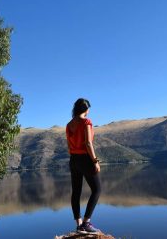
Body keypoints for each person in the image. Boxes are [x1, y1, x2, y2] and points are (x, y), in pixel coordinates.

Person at [66, 98, 101, 234]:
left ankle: (79, 224)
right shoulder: (86, 122)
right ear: (86, 110)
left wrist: (75, 157)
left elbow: (69, 145)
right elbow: (88, 143)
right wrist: (95, 160)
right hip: (85, 159)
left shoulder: (69, 125)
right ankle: (86, 223)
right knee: (97, 190)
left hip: (73, 160)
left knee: (76, 192)